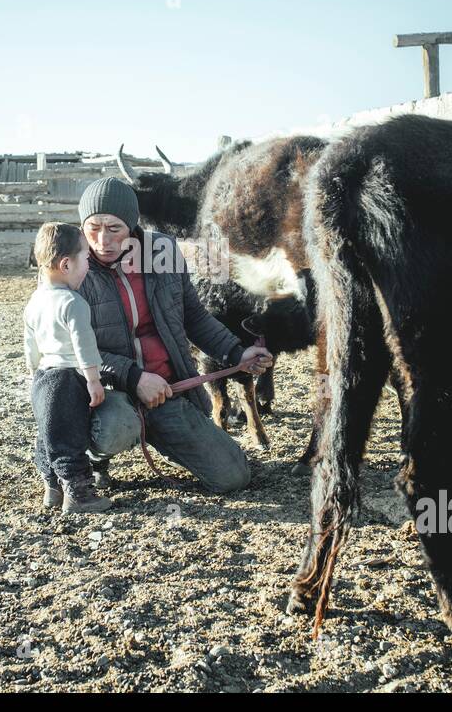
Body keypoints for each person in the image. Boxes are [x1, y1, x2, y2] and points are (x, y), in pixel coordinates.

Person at [74, 177, 273, 493]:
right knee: (114, 429)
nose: (102, 240)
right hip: (107, 394)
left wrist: (237, 354)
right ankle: (93, 459)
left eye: (114, 229)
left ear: (133, 226)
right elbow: (66, 350)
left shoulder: (161, 251)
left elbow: (194, 318)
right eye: (93, 228)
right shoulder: (70, 264)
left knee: (233, 476)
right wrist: (134, 377)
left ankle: (167, 435)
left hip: (167, 391)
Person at [24, 223, 111, 513]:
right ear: (66, 264)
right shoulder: (73, 303)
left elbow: (30, 345)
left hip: (43, 377)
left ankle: (52, 489)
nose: (88, 264)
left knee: (48, 434)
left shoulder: (34, 301)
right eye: (86, 258)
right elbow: (83, 346)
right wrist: (94, 380)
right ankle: (79, 495)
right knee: (70, 439)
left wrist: (34, 375)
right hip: (68, 379)